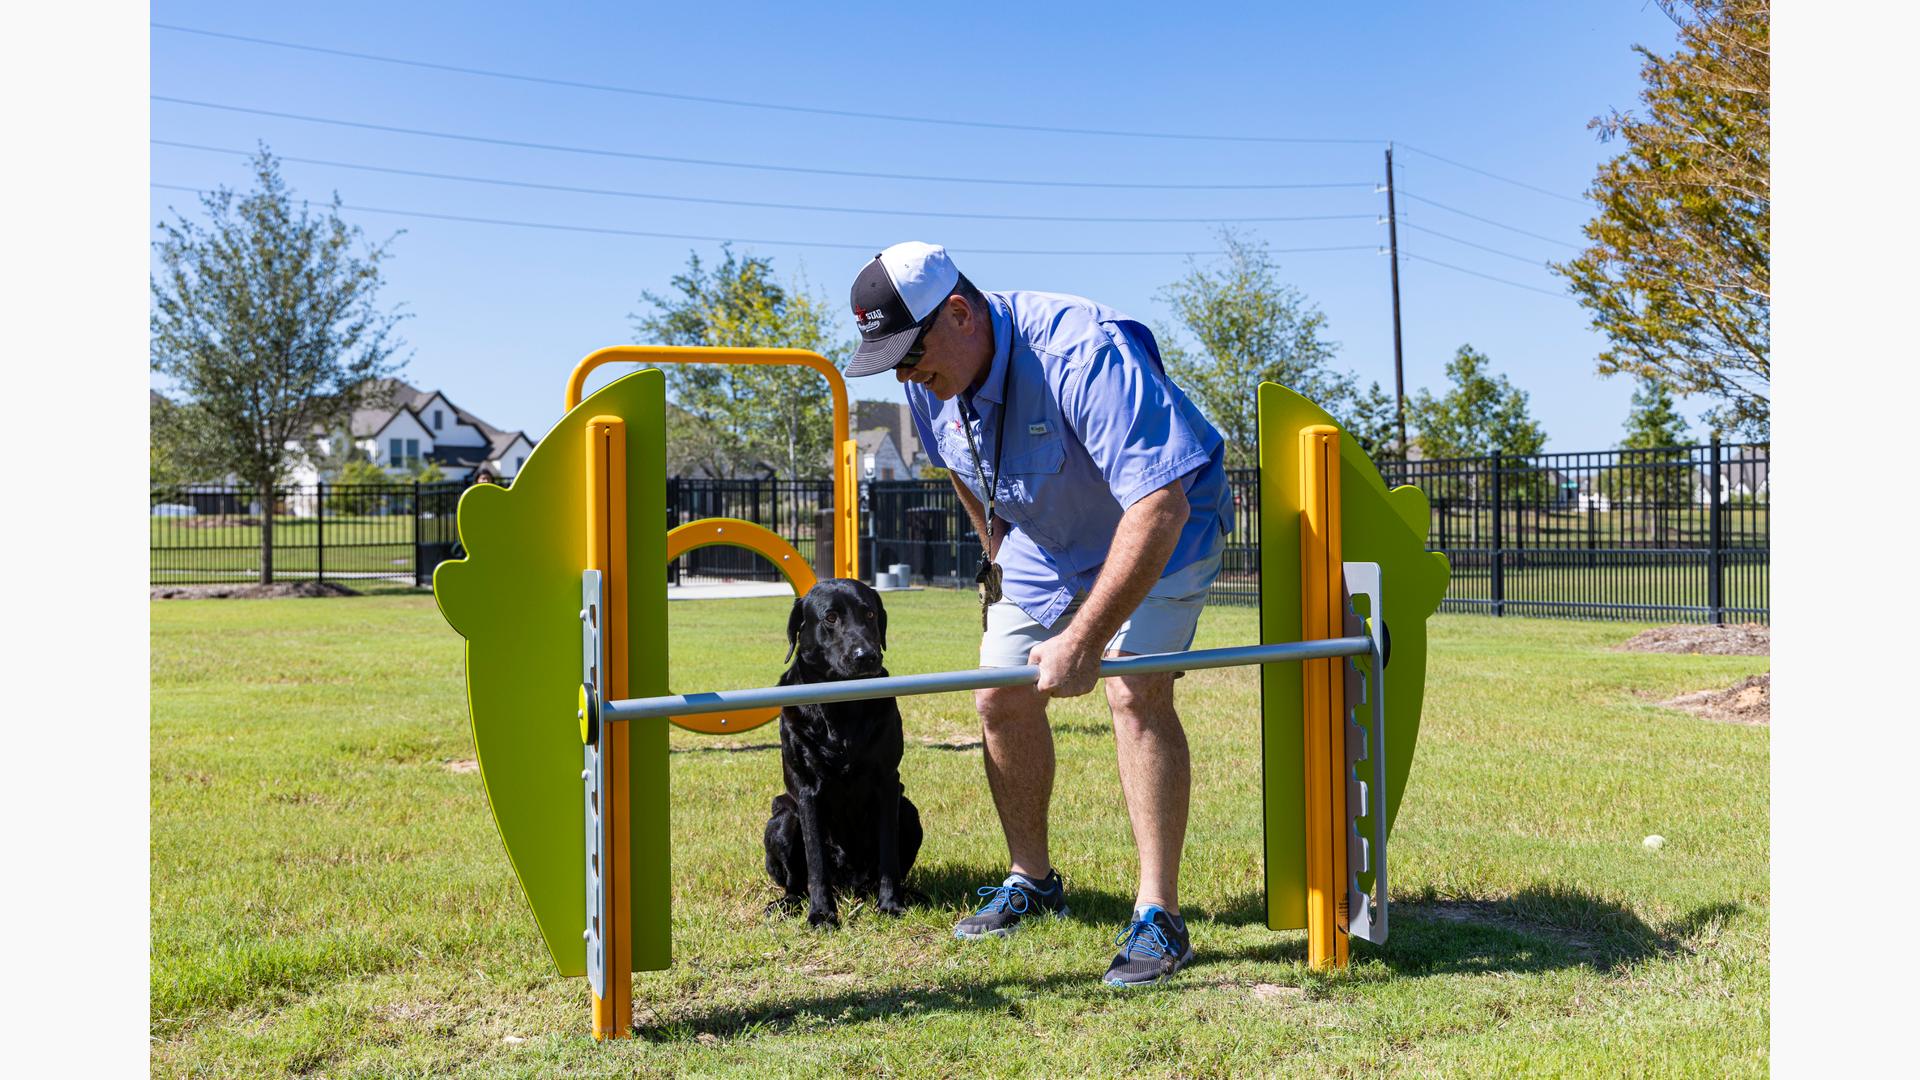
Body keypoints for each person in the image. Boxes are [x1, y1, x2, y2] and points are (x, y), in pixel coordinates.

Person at [843, 242, 1232, 987]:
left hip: (1165, 521)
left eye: (909, 354)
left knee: (1131, 688)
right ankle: (1033, 880)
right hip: (1046, 538)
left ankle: (1160, 916)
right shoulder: (932, 378)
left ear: (959, 313)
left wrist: (1085, 638)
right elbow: (960, 467)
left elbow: (1160, 505)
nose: (903, 376)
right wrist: (996, 555)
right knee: (998, 693)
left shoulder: (1083, 353)